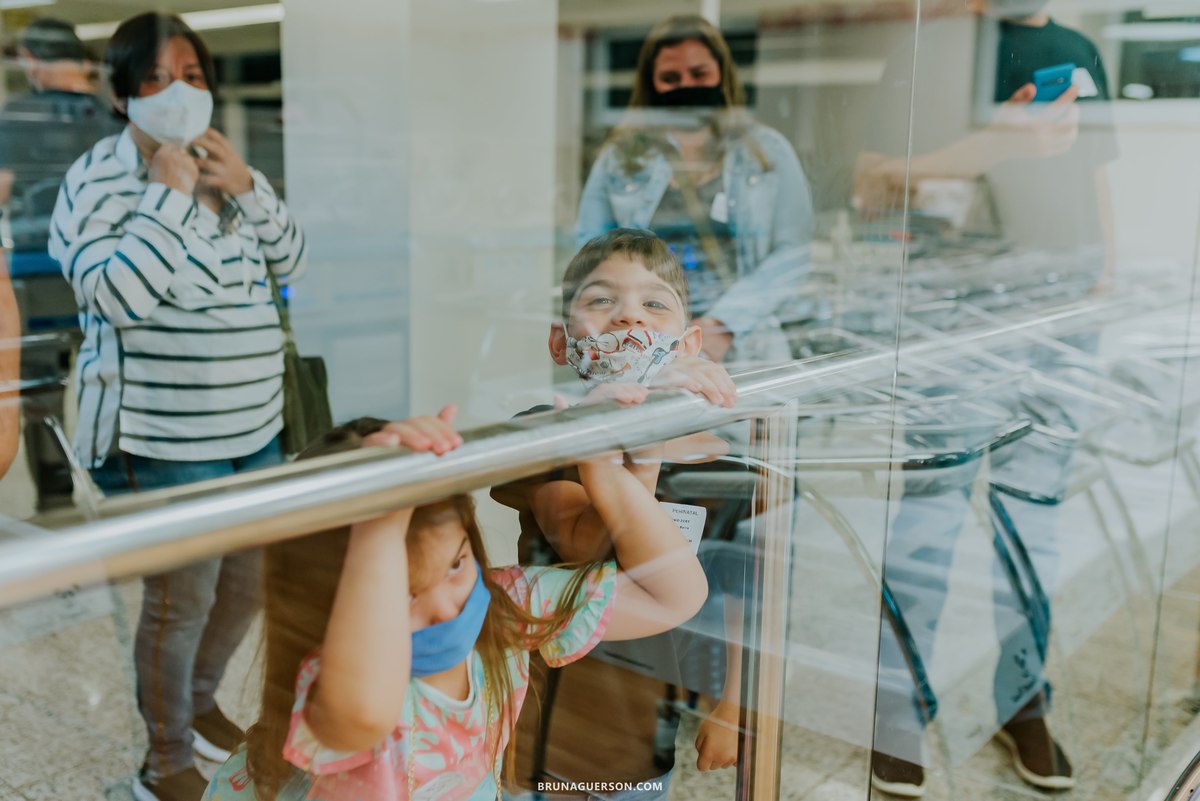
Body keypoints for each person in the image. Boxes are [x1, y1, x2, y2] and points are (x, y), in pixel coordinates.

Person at [853, 0, 1116, 795]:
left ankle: (1023, 702)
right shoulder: (932, 47)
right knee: (929, 522)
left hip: (1066, 317)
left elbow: (1097, 171)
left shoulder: (1078, 49)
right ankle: (897, 712)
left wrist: (1110, 275)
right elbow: (871, 184)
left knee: (1032, 523)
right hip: (955, 321)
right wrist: (991, 145)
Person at [47, 13, 307, 801]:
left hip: (253, 424)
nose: (181, 92)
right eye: (157, 77)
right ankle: (164, 757)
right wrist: (167, 195)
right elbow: (118, 296)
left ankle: (198, 704)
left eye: (193, 74)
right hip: (162, 434)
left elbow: (292, 259)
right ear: (122, 94)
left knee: (248, 581)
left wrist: (248, 188)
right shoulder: (95, 181)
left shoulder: (221, 164)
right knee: (181, 598)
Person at [200, 408, 709, 800]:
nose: (446, 609)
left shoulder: (502, 609)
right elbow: (365, 712)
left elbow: (673, 595)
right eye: (402, 592)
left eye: (456, 564)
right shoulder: (336, 681)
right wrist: (380, 520)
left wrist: (605, 473)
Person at [491, 229, 748, 793]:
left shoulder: (722, 459)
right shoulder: (549, 429)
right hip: (553, 722)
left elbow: (742, 589)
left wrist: (736, 705)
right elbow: (589, 546)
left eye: (654, 304)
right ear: (561, 344)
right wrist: (633, 429)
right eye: (602, 300)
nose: (630, 317)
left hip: (645, 726)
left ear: (689, 346)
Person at [576, 14, 814, 364]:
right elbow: (589, 251)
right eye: (670, 78)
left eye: (699, 74)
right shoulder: (620, 159)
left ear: (722, 74)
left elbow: (794, 252)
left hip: (743, 344)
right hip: (641, 344)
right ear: (651, 84)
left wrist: (722, 324)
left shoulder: (767, 153)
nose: (686, 85)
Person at [0, 18, 122, 509]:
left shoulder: (19, 116)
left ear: (30, 59)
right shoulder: (112, 117)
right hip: (107, 276)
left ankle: (55, 500)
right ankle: (115, 486)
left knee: (41, 396)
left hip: (39, 276)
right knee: (111, 378)